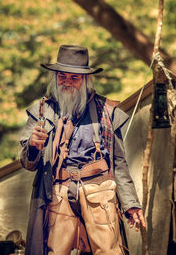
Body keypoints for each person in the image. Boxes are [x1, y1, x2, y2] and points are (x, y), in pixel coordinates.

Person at [19, 45, 145, 255]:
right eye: (62, 76)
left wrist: (130, 204)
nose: (67, 82)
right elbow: (27, 163)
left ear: (85, 80)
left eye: (74, 78)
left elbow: (119, 164)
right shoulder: (42, 111)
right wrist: (33, 146)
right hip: (58, 193)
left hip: (100, 194)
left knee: (109, 252)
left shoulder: (107, 111)